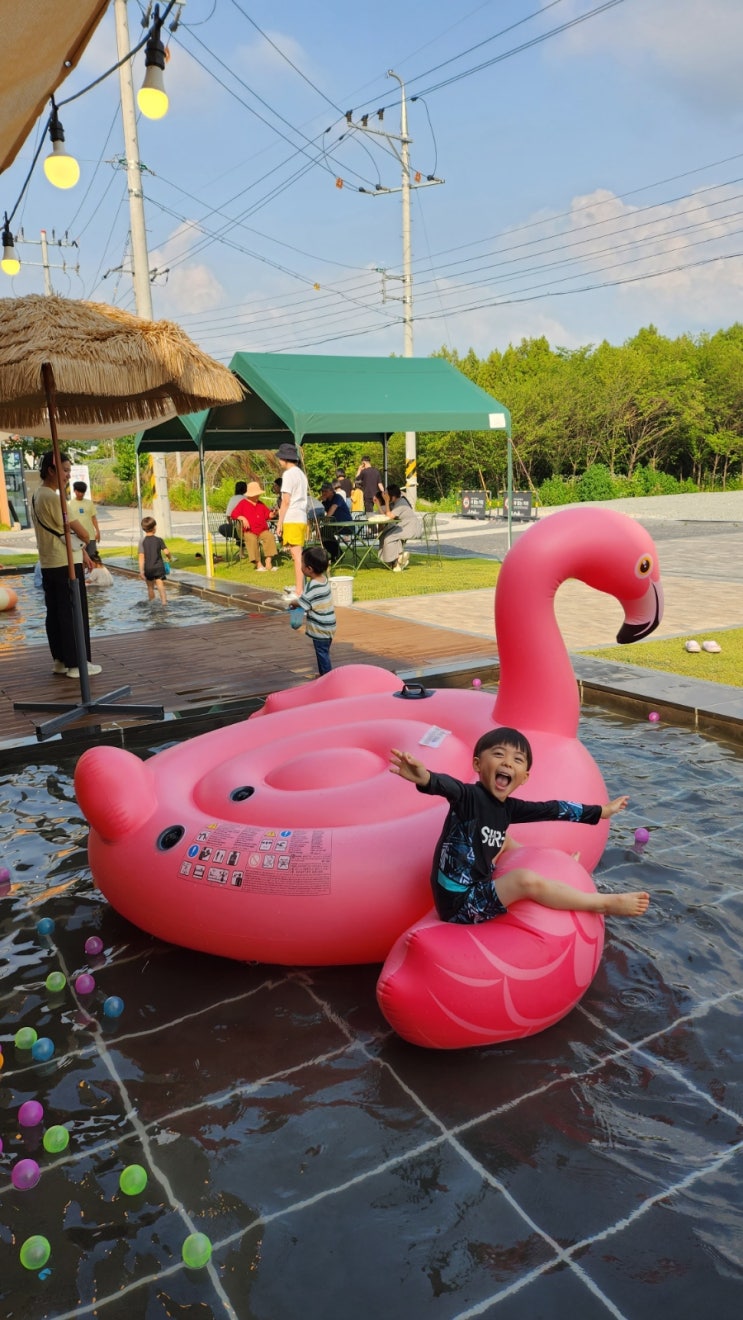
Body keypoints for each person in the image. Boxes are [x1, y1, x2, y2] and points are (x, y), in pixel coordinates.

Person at [389, 727, 650, 925]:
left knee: (504, 840)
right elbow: (448, 785)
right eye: (499, 755)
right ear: (478, 764)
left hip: (480, 881)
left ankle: (557, 873)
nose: (507, 763)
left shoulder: (509, 809)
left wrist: (602, 811)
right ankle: (602, 903)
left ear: (524, 777)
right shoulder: (468, 796)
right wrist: (425, 778)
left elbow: (554, 808)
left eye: (517, 760)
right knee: (523, 879)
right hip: (459, 906)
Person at [31, 451, 101, 678]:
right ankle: (77, 663)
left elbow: (60, 533)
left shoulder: (37, 495)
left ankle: (60, 660)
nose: (68, 475)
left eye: (70, 470)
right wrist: (86, 541)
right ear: (51, 470)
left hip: (50, 562)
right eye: (65, 470)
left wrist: (84, 555)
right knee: (74, 613)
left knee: (56, 613)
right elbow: (82, 533)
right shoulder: (55, 497)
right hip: (66, 564)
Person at [291, 544, 337, 675]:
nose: (301, 566)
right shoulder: (324, 579)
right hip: (329, 625)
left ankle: (327, 676)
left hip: (320, 628)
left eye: (302, 563)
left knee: (322, 654)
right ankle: (325, 674)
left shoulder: (313, 585)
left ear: (309, 569)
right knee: (324, 651)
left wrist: (293, 603)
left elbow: (303, 604)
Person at [275, 442, 309, 601]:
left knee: (297, 557)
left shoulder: (288, 475)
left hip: (292, 518)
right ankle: (299, 586)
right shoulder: (301, 474)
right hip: (301, 517)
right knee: (298, 555)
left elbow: (286, 501)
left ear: (284, 458)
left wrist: (279, 523)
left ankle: (299, 592)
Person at [230, 481, 278, 571]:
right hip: (249, 531)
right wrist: (243, 518)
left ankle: (268, 561)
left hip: (262, 530)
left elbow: (268, 515)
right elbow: (233, 514)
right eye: (256, 494)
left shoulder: (261, 504)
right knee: (251, 539)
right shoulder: (243, 503)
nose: (258, 496)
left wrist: (273, 513)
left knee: (269, 536)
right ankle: (258, 564)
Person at [378, 484, 421, 570]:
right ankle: (397, 560)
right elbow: (386, 513)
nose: (386, 497)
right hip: (403, 527)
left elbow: (389, 516)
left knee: (389, 537)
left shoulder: (401, 503)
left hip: (410, 527)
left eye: (387, 495)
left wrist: (386, 501)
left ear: (393, 497)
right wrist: (378, 504)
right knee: (383, 535)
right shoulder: (396, 502)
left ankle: (396, 561)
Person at [138, 516, 171, 605]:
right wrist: (169, 557)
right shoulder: (159, 540)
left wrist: (141, 571)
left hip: (148, 568)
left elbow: (141, 557)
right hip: (158, 567)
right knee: (160, 586)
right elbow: (167, 552)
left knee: (150, 587)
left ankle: (152, 603)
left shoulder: (142, 541)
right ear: (154, 527)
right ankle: (164, 603)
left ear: (144, 529)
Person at [319, 481, 351, 563]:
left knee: (324, 532)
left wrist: (323, 522)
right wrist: (320, 501)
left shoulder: (338, 497)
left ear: (331, 491)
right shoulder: (325, 501)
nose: (323, 493)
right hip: (334, 525)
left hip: (345, 524)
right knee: (322, 533)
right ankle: (336, 554)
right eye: (322, 491)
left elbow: (331, 511)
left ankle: (337, 554)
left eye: (325, 491)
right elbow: (319, 511)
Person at [69, 480, 100, 558]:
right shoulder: (69, 504)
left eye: (82, 492)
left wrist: (98, 531)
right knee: (79, 558)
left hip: (90, 536)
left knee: (93, 557)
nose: (80, 494)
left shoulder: (89, 503)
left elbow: (93, 518)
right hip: (77, 536)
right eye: (78, 492)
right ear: (74, 491)